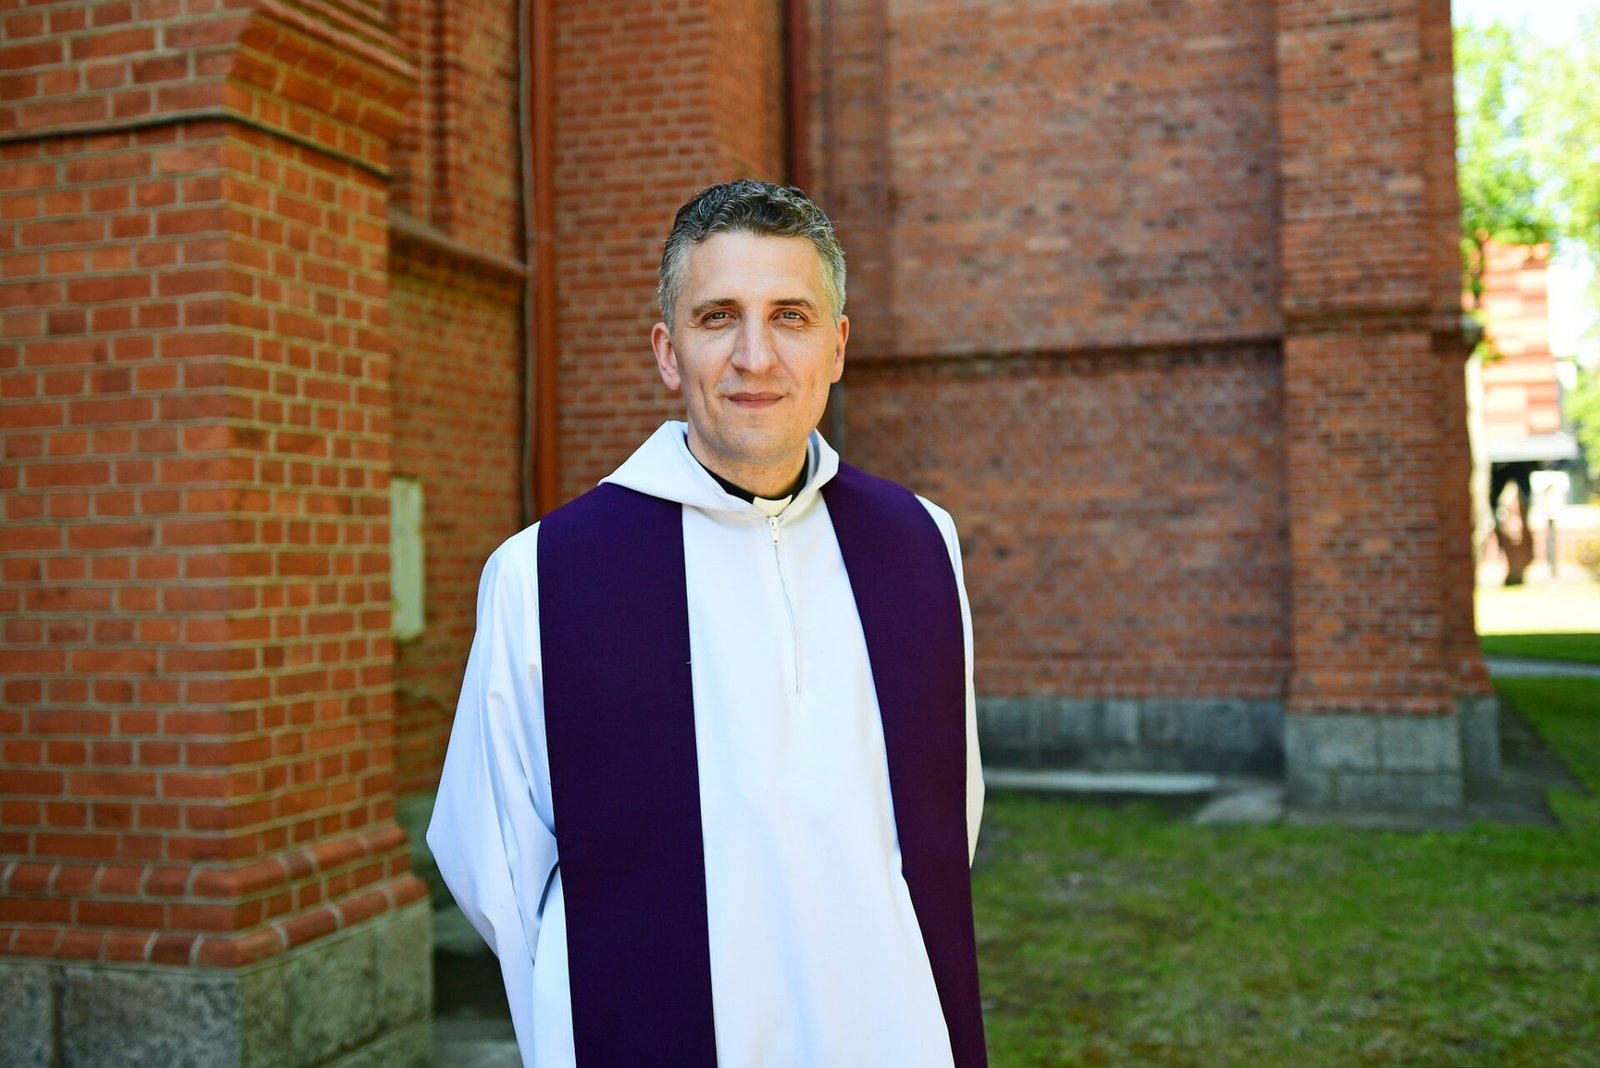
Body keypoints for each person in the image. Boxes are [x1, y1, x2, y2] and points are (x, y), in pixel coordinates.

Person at [428, 179, 987, 1067]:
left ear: (838, 347)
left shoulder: (920, 542)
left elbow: (949, 815)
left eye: (791, 317)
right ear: (668, 350)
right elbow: (492, 864)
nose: (754, 357)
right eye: (718, 316)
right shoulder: (543, 576)